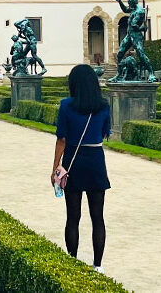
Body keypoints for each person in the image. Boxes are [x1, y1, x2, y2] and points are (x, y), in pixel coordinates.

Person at [51, 64, 111, 273]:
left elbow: (61, 139)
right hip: (95, 159)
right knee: (98, 217)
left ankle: (73, 260)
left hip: (72, 160)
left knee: (73, 217)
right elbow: (105, 133)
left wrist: (55, 168)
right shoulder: (103, 106)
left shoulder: (67, 105)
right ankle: (98, 265)